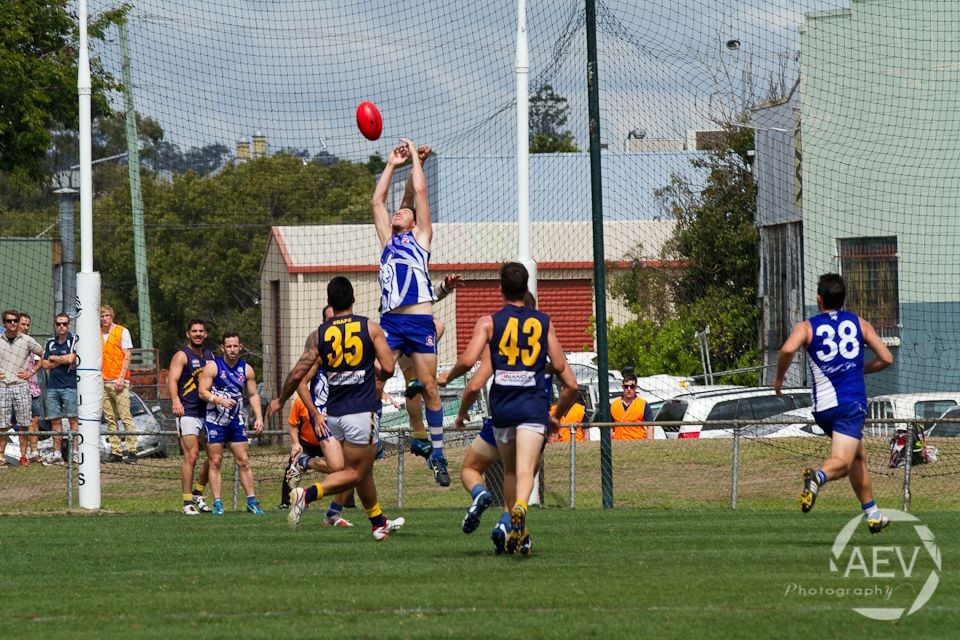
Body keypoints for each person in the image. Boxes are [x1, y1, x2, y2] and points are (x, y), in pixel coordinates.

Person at [442, 263, 578, 555]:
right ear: (527, 286)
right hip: (532, 407)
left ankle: (515, 525)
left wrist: (446, 380)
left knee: (509, 472)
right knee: (527, 469)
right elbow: (558, 366)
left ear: (500, 288)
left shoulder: (489, 322)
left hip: (503, 408)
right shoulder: (544, 322)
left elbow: (467, 363)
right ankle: (518, 508)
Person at [267, 276, 404, 541]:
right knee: (357, 472)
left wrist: (280, 400)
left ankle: (378, 523)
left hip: (334, 416)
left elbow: (297, 375)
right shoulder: (369, 327)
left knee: (353, 470)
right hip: (361, 412)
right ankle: (306, 495)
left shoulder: (318, 334)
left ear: (330, 301)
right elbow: (388, 368)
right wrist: (369, 371)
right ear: (353, 299)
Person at [773, 273, 894, 534]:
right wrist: (858, 370)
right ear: (844, 299)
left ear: (819, 299)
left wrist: (779, 379)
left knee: (858, 456)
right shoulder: (859, 323)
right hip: (850, 404)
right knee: (842, 461)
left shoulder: (806, 327)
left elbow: (786, 350)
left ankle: (873, 515)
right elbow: (886, 358)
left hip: (823, 407)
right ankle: (817, 478)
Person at [371, 137, 450, 486]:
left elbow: (418, 192)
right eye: (397, 212)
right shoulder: (388, 239)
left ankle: (438, 452)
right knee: (374, 376)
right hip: (391, 321)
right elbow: (377, 200)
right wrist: (391, 163)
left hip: (419, 320)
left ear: (416, 222)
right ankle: (373, 439)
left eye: (405, 212)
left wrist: (417, 159)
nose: (398, 211)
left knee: (429, 388)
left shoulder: (421, 238)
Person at [198, 332, 265, 515]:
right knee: (215, 461)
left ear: (240, 347)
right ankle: (218, 503)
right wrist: (219, 400)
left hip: (236, 421)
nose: (232, 349)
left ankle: (251, 501)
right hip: (215, 421)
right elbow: (202, 391)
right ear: (223, 348)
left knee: (243, 460)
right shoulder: (213, 367)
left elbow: (252, 395)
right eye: (229, 346)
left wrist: (258, 417)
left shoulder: (247, 369)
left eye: (235, 346)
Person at [401, 273, 463, 461]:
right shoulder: (398, 281)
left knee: (427, 388)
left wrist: (445, 287)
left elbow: (430, 298)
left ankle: (428, 444)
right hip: (399, 333)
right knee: (414, 386)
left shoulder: (414, 278)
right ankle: (419, 436)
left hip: (416, 336)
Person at [168, 318, 215, 515]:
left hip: (208, 412)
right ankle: (187, 502)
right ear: (188, 333)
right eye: (194, 331)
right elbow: (172, 380)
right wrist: (175, 401)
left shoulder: (210, 356)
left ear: (205, 334)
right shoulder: (182, 355)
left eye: (201, 331)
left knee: (215, 456)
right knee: (192, 455)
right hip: (188, 411)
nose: (197, 334)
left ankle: (198, 492)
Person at [0, 309, 45, 467]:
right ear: (4, 323)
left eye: (15, 320)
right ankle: (1, 457)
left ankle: (24, 456)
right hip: (3, 386)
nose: (12, 323)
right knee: (3, 424)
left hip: (21, 386)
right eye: (9, 321)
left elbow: (42, 354)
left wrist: (31, 371)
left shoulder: (26, 340)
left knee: (25, 423)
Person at [100, 305, 138, 463]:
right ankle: (115, 451)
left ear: (112, 316)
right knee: (110, 418)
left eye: (107, 315)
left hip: (118, 379)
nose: (104, 318)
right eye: (102, 316)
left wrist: (122, 378)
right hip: (103, 380)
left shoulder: (122, 331)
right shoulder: (97, 333)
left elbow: (127, 354)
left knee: (125, 416)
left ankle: (132, 450)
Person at [41, 313, 78, 466]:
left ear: (68, 325)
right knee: (55, 421)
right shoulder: (50, 342)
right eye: (58, 324)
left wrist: (55, 359)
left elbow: (71, 359)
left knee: (73, 420)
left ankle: (75, 452)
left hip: (70, 386)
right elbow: (44, 364)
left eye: (64, 324)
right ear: (55, 325)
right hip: (53, 387)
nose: (61, 327)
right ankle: (57, 453)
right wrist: (61, 360)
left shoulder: (74, 340)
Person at [16, 313, 44, 464]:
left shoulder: (31, 342)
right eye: (23, 324)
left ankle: (34, 452)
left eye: (28, 325)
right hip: (16, 388)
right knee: (21, 424)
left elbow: (42, 358)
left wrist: (32, 372)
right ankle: (22, 455)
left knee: (34, 422)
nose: (26, 327)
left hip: (32, 388)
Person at [610, 371, 653, 440]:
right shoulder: (614, 404)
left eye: (632, 386)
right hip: (619, 443)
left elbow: (650, 426)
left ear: (636, 387)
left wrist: (649, 444)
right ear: (622, 387)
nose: (629, 389)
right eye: (626, 387)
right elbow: (610, 427)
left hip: (637, 442)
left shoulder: (643, 404)